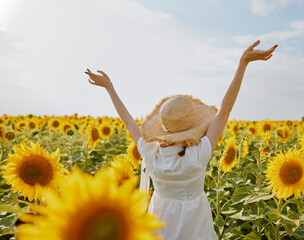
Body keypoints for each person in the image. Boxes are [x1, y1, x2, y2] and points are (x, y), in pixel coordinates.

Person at [85, 40, 277, 240]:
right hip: (195, 224)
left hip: (159, 222)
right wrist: (242, 64)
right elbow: (224, 111)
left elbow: (128, 121)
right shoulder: (198, 155)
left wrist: (110, 89)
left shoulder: (151, 152)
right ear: (192, 126)